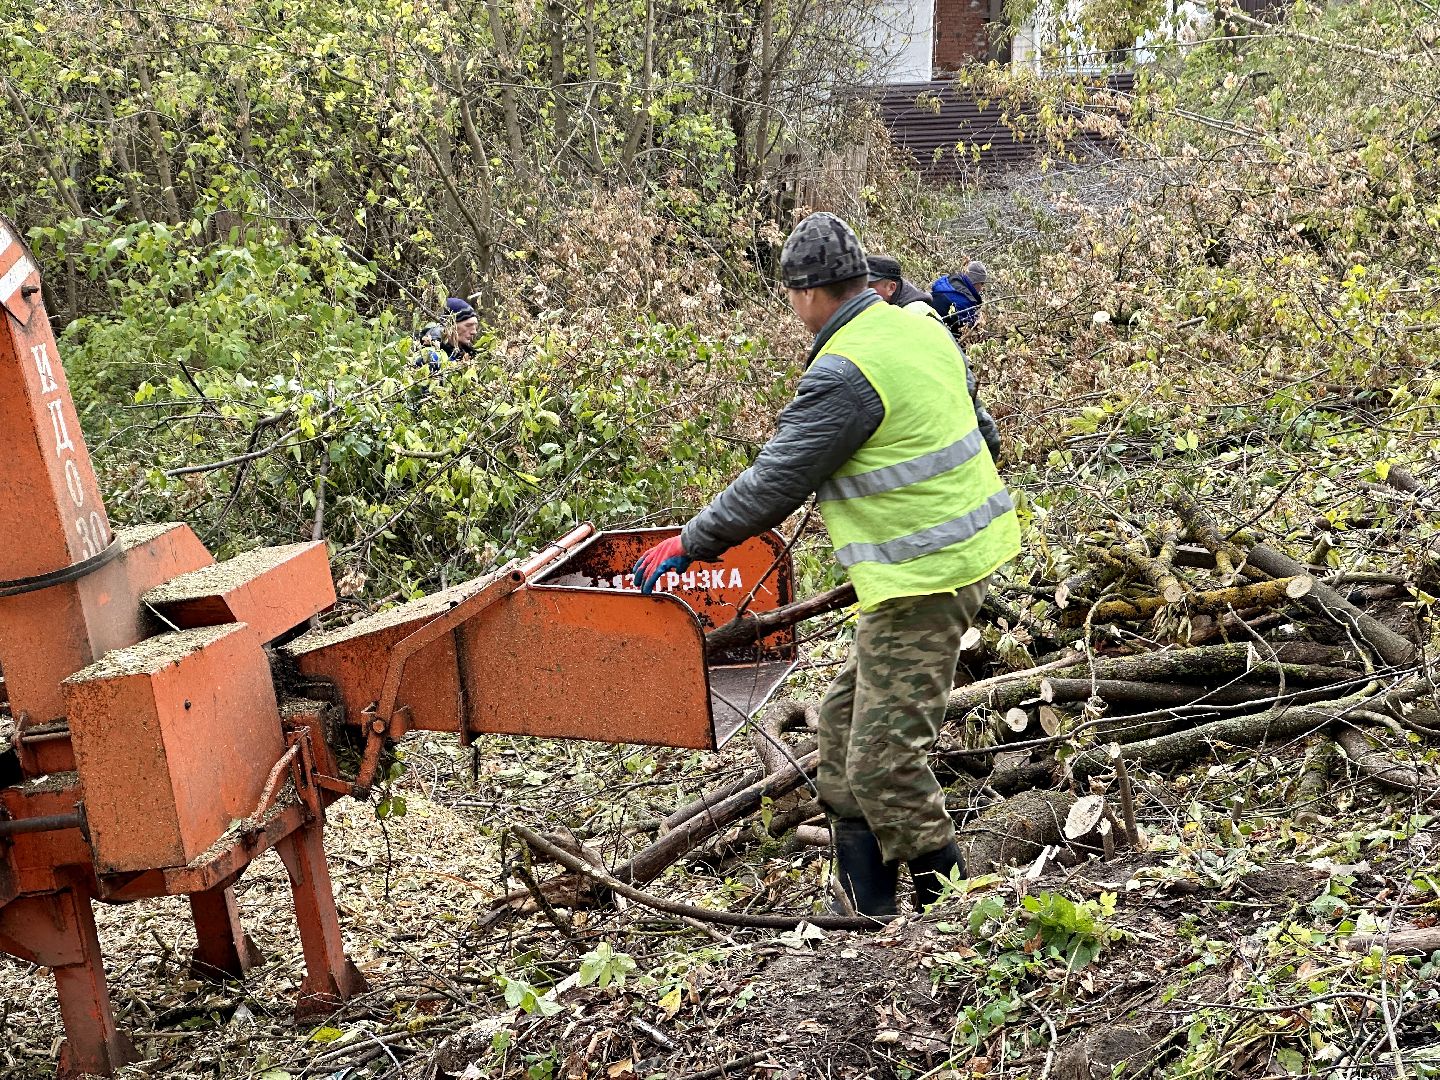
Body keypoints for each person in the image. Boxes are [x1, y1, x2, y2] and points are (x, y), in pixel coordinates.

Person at [632, 214, 1021, 917]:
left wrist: (689, 543)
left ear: (807, 293)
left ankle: (960, 926)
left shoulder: (844, 373)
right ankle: (866, 917)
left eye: (790, 296)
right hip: (942, 564)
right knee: (842, 736)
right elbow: (983, 430)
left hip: (925, 579)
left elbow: (774, 482)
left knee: (884, 766)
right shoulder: (921, 325)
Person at [869, 255, 1002, 461]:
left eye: (869, 287)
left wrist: (987, 438)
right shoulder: (897, 313)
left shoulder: (915, 316)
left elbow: (955, 372)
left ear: (891, 288)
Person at [414, 297, 480, 376]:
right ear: (449, 325)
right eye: (468, 325)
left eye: (475, 326)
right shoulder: (430, 357)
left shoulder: (468, 354)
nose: (474, 331)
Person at [930, 260, 988, 336]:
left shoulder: (948, 281)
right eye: (982, 283)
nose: (982, 288)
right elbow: (967, 335)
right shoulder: (965, 302)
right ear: (975, 281)